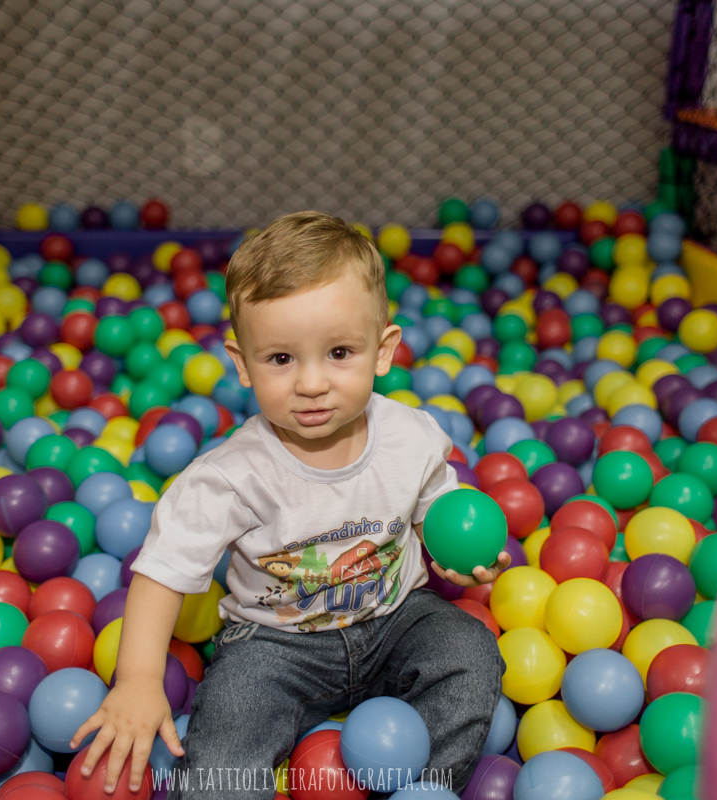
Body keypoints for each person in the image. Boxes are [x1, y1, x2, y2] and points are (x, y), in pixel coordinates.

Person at [70, 211, 510, 798]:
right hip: (274, 646)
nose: (311, 383)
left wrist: (452, 553)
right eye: (281, 359)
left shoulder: (412, 436)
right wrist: (139, 681)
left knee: (468, 651)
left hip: (396, 618)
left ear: (383, 351)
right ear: (242, 363)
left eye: (339, 352)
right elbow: (162, 572)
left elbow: (436, 507)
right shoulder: (230, 476)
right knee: (227, 732)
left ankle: (421, 786)